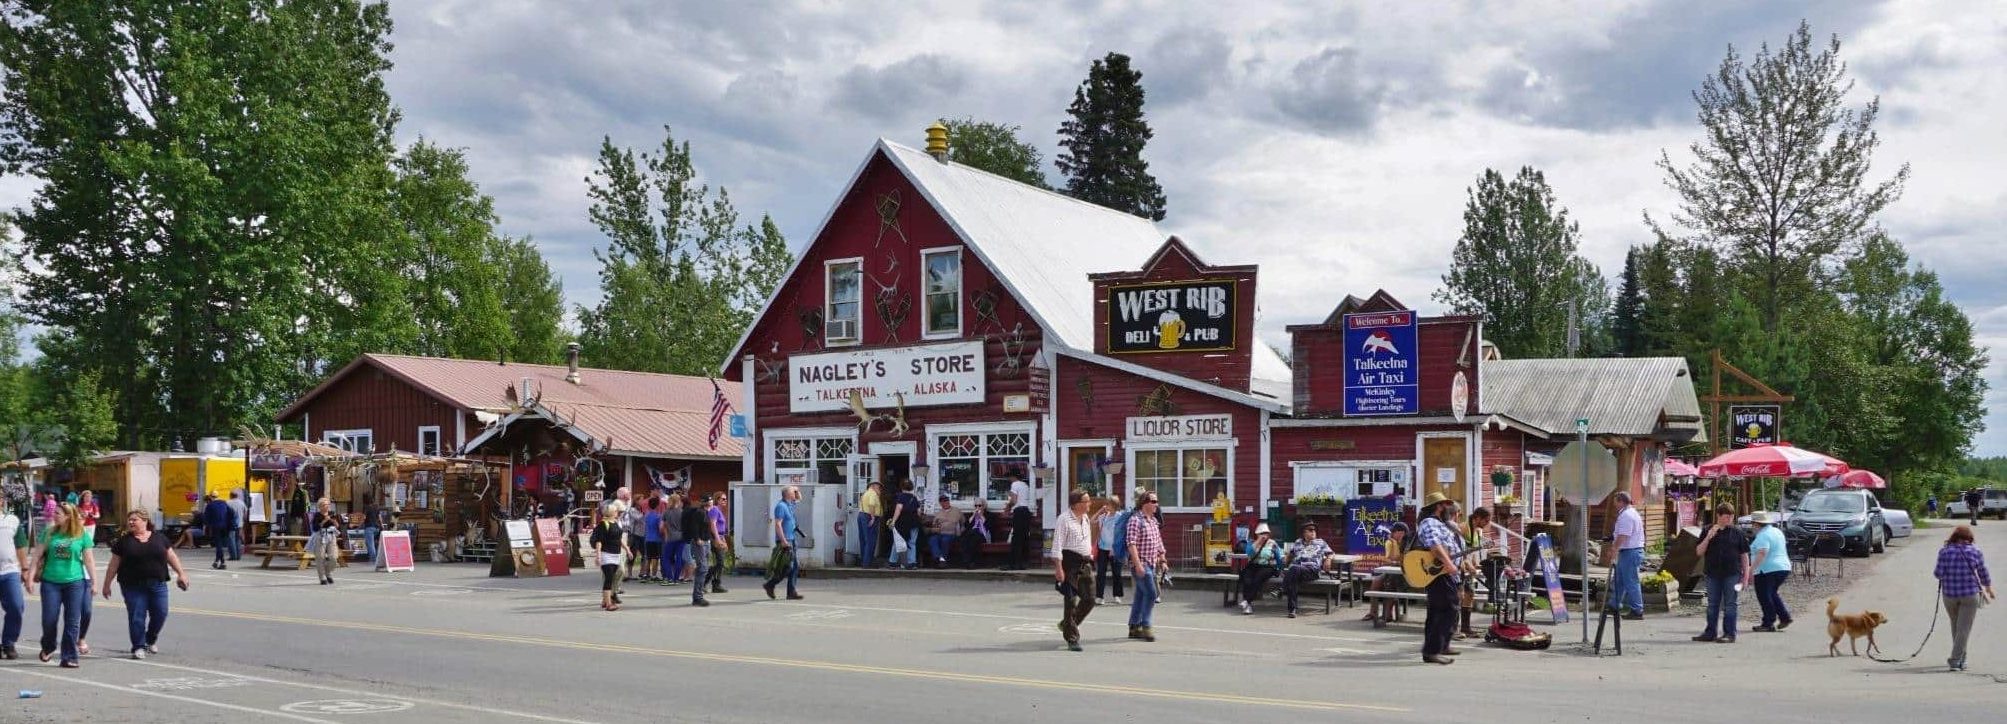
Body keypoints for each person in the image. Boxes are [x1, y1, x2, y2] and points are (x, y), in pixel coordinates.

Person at [101, 510, 189, 659]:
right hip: (132, 585)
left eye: (134, 520)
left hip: (158, 583)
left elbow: (171, 556)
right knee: (137, 616)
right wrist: (106, 584)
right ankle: (138, 646)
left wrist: (181, 574)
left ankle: (150, 639)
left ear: (145, 521)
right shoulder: (123, 542)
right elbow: (113, 565)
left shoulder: (159, 538)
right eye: (129, 520)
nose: (130, 522)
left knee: (161, 613)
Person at [24, 503, 94, 667]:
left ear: (68, 516)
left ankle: (69, 656)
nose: (54, 515)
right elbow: (36, 557)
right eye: (54, 512)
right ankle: (48, 647)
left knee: (72, 621)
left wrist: (94, 582)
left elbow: (89, 560)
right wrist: (30, 578)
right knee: (49, 620)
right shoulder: (48, 533)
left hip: (75, 582)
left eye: (58, 513)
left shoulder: (81, 534)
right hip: (51, 583)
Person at [1934, 525, 1994, 671]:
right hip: (1969, 595)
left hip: (1949, 595)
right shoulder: (1975, 550)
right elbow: (1982, 571)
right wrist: (1988, 587)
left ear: (1954, 537)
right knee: (1963, 629)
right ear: (1969, 537)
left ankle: (1962, 659)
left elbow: (1938, 574)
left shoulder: (1944, 552)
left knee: (1956, 626)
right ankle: (1955, 660)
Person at [1693, 503, 1751, 643]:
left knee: (1730, 604)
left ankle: (1729, 633)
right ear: (1718, 516)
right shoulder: (1707, 530)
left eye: (1731, 516)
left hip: (1732, 573)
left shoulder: (1737, 533)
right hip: (1713, 573)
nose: (1729, 519)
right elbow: (1699, 551)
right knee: (1712, 604)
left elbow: (1744, 556)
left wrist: (1745, 577)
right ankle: (1710, 632)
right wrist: (1708, 537)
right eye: (1726, 516)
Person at [1417, 492, 1463, 665]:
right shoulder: (1429, 522)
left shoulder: (1439, 523)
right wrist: (1449, 563)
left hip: (1443, 572)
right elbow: (1435, 546)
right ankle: (1432, 651)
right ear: (1438, 506)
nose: (1448, 509)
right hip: (1439, 572)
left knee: (1437, 610)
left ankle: (1440, 646)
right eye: (1445, 505)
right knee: (1449, 609)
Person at [1051, 490, 1096, 651]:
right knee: (1070, 602)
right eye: (1087, 501)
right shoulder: (1064, 519)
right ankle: (1072, 638)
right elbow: (1057, 545)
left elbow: (1087, 541)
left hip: (1085, 563)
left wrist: (1090, 556)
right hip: (1069, 562)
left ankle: (1067, 624)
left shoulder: (1085, 519)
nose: (1089, 503)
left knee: (1090, 599)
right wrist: (1059, 568)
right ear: (1077, 503)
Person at [1125, 491, 1166, 642]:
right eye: (1154, 501)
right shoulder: (1135, 520)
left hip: (1151, 563)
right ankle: (1146, 625)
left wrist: (1163, 559)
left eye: (1157, 501)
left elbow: (1158, 542)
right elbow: (1131, 544)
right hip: (1141, 564)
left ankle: (1134, 627)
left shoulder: (1153, 521)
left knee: (1141, 595)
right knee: (1152, 593)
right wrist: (1137, 565)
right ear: (1145, 503)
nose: (1157, 504)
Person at [1747, 510, 1793, 632]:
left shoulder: (1763, 535)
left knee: (1764, 595)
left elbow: (1762, 552)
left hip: (1767, 569)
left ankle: (1768, 622)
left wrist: (1751, 569)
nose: (1752, 526)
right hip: (1783, 567)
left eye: (1752, 523)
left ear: (1756, 524)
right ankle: (1784, 617)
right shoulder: (1777, 531)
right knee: (1772, 593)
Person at [1281, 521, 1335, 619]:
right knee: (1293, 579)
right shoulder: (1298, 542)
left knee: (1293, 570)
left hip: (1311, 570)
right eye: (1310, 530)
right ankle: (1292, 610)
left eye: (1314, 530)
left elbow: (1330, 553)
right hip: (1297, 571)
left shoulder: (1320, 542)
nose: (1313, 531)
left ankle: (1281, 589)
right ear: (1304, 533)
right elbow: (1290, 554)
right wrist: (1286, 558)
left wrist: (1328, 559)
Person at [1606, 491, 1646, 620]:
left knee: (1630, 581)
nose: (1614, 504)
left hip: (1630, 551)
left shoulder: (1626, 515)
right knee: (1620, 580)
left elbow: (1624, 535)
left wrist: (1614, 549)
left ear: (1621, 501)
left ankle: (1637, 609)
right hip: (1629, 551)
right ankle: (1614, 604)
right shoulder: (1630, 513)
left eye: (1615, 501)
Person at [1364, 522, 1411, 623]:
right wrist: (1394, 544)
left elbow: (1403, 559)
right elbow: (1389, 559)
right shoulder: (1390, 542)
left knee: (1391, 583)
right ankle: (1373, 612)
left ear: (1401, 533)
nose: (1392, 534)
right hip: (1391, 569)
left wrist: (1396, 559)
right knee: (1375, 583)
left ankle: (1388, 614)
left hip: (1406, 573)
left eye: (1394, 532)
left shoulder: (1408, 542)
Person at [763, 486, 804, 600]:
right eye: (793, 492)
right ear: (787, 494)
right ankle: (770, 585)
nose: (795, 494)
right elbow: (778, 524)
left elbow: (800, 498)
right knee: (787, 567)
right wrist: (783, 541)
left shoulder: (789, 505)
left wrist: (797, 489)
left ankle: (791, 592)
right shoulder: (781, 506)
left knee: (795, 566)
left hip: (792, 539)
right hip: (785, 540)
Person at [1459, 507, 1494, 638]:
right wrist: (1467, 564)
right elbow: (1459, 549)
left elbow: (1472, 550)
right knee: (1459, 596)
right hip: (1460, 567)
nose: (1487, 523)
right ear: (1477, 517)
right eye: (1486, 520)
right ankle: (1455, 630)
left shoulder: (1478, 531)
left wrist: (1475, 564)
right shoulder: (1463, 528)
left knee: (1470, 594)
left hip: (1468, 568)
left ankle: (1466, 627)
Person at [1236, 524, 1284, 615]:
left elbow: (1278, 557)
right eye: (1261, 533)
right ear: (1257, 534)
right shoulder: (1251, 542)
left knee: (1258, 578)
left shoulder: (1272, 543)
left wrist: (1280, 569)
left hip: (1268, 566)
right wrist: (1258, 541)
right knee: (1247, 579)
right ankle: (1248, 605)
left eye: (1266, 533)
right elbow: (1249, 553)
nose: (1264, 535)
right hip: (1254, 565)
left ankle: (1246, 601)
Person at [683, 494, 719, 607]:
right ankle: (697, 597)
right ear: (707, 503)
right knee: (703, 568)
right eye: (711, 501)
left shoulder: (706, 512)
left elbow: (705, 529)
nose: (712, 503)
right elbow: (694, 527)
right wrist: (697, 539)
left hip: (705, 542)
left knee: (703, 568)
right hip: (700, 543)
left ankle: (698, 595)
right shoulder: (700, 513)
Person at [591, 502, 626, 611]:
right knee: (609, 579)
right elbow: (599, 541)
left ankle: (604, 601)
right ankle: (608, 603)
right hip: (606, 554)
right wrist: (598, 556)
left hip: (616, 554)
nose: (617, 513)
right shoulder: (603, 524)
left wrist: (627, 549)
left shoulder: (615, 523)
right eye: (616, 511)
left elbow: (618, 539)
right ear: (611, 512)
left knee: (612, 577)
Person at [1, 505, 24, 660]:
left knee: (16, 606)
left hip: (10, 571)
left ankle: (9, 643)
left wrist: (26, 569)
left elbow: (20, 546)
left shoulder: (12, 520)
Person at [1094, 500, 1126, 605]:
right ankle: (1099, 596)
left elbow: (1122, 533)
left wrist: (1115, 547)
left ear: (1115, 506)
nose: (1106, 506)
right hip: (1103, 548)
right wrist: (1100, 511)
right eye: (1106, 504)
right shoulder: (1103, 516)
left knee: (1116, 573)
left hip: (1115, 548)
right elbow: (1091, 520)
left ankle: (1117, 595)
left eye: (1109, 504)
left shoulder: (1120, 516)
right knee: (1100, 573)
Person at [1004, 471, 1036, 571]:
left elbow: (1014, 500)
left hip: (1019, 511)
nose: (1008, 480)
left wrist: (1008, 507)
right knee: (1024, 537)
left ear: (1013, 477)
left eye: (1009, 478)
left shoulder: (1015, 484)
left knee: (1016, 538)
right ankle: (1023, 562)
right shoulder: (1025, 485)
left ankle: (1014, 563)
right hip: (1027, 511)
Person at [889, 480, 923, 570]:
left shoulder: (901, 497)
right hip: (914, 523)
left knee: (897, 541)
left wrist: (893, 521)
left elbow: (898, 509)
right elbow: (919, 512)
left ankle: (893, 562)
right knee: (912, 542)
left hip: (902, 523)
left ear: (902, 487)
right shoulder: (914, 498)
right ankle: (911, 563)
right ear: (911, 487)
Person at [309, 498, 342, 586]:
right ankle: (322, 576)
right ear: (320, 507)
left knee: (333, 557)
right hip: (321, 536)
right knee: (320, 557)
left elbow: (338, 526)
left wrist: (334, 522)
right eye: (324, 505)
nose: (326, 506)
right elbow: (315, 528)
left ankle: (328, 572)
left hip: (331, 535)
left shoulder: (332, 514)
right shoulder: (317, 515)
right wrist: (324, 521)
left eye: (327, 504)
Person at [926, 495, 963, 568]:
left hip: (951, 533)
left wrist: (961, 531)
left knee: (945, 540)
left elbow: (963, 522)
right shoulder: (938, 513)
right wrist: (934, 529)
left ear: (949, 501)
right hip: (940, 533)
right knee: (932, 539)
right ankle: (939, 558)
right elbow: (934, 525)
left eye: (946, 501)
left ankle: (940, 560)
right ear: (940, 503)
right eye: (943, 501)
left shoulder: (957, 511)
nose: (945, 503)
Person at [620, 493, 648, 582]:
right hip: (634, 534)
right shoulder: (632, 510)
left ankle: (642, 572)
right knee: (633, 554)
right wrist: (645, 512)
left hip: (643, 534)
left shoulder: (643, 510)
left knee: (645, 554)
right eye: (641, 500)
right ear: (636, 501)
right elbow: (638, 518)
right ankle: (630, 573)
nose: (643, 502)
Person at [201, 494, 233, 570]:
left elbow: (205, 519)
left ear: (208, 500)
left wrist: (208, 525)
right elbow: (231, 512)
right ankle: (216, 561)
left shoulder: (209, 506)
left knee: (219, 545)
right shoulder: (223, 503)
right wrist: (227, 521)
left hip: (216, 526)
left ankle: (223, 562)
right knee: (220, 545)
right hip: (225, 526)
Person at [706, 496, 731, 594]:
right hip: (714, 537)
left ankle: (715, 584)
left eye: (726, 499)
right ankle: (708, 583)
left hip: (720, 537)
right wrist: (717, 539)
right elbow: (713, 524)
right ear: (717, 500)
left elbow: (721, 528)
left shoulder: (719, 511)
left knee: (720, 563)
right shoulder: (715, 510)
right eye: (723, 499)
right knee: (719, 562)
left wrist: (724, 540)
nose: (725, 500)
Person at [857, 481, 884, 569]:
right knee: (870, 540)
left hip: (862, 515)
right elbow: (871, 505)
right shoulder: (873, 494)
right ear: (874, 486)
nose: (880, 489)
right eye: (879, 487)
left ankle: (864, 561)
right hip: (869, 516)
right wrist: (872, 517)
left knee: (864, 540)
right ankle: (868, 563)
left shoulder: (865, 493)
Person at [643, 497, 666, 583]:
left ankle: (646, 574)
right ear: (657, 505)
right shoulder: (658, 516)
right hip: (657, 539)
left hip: (648, 538)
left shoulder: (647, 515)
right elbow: (660, 528)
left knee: (648, 557)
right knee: (655, 557)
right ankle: (654, 575)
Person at [361, 494, 383, 565]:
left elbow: (364, 518)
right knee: (375, 543)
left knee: (370, 544)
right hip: (377, 528)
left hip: (369, 527)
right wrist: (382, 525)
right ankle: (377, 557)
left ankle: (373, 559)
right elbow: (380, 517)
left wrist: (359, 525)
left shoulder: (366, 507)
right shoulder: (376, 507)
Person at [223, 491, 246, 561]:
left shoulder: (228, 502)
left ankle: (233, 556)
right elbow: (245, 513)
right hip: (240, 524)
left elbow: (225, 513)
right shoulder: (242, 503)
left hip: (231, 524)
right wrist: (243, 520)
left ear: (230, 496)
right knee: (238, 540)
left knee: (231, 540)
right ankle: (238, 556)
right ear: (237, 496)